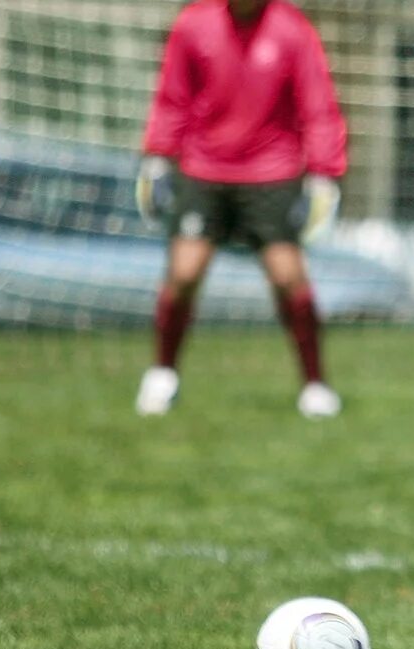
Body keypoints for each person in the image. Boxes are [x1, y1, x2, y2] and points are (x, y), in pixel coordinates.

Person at [134, 0, 347, 418]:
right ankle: (162, 375)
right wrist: (157, 156)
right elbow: (172, 96)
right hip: (204, 169)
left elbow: (317, 104)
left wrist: (324, 174)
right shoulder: (194, 24)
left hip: (271, 171)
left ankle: (315, 386)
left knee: (289, 278)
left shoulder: (292, 29)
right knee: (183, 273)